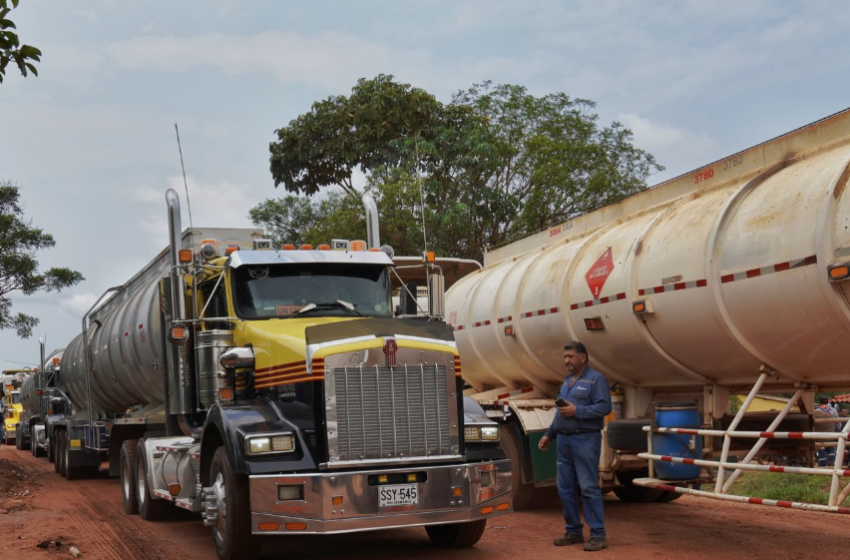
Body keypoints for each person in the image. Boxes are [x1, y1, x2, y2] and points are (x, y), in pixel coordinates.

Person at [538, 341, 612, 552]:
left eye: (570, 356)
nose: (567, 361)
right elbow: (561, 412)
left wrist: (577, 411)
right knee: (564, 489)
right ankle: (573, 531)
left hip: (585, 440)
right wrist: (549, 434)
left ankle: (598, 535)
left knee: (588, 487)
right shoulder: (568, 381)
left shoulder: (596, 379)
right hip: (564, 440)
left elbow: (604, 406)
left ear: (583, 358)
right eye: (565, 357)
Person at [814, 397, 838, 466]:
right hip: (831, 434)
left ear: (819, 402)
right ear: (828, 402)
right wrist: (838, 431)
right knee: (831, 448)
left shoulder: (816, 412)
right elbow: (838, 422)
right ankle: (833, 462)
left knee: (821, 449)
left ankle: (823, 465)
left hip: (819, 436)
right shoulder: (833, 410)